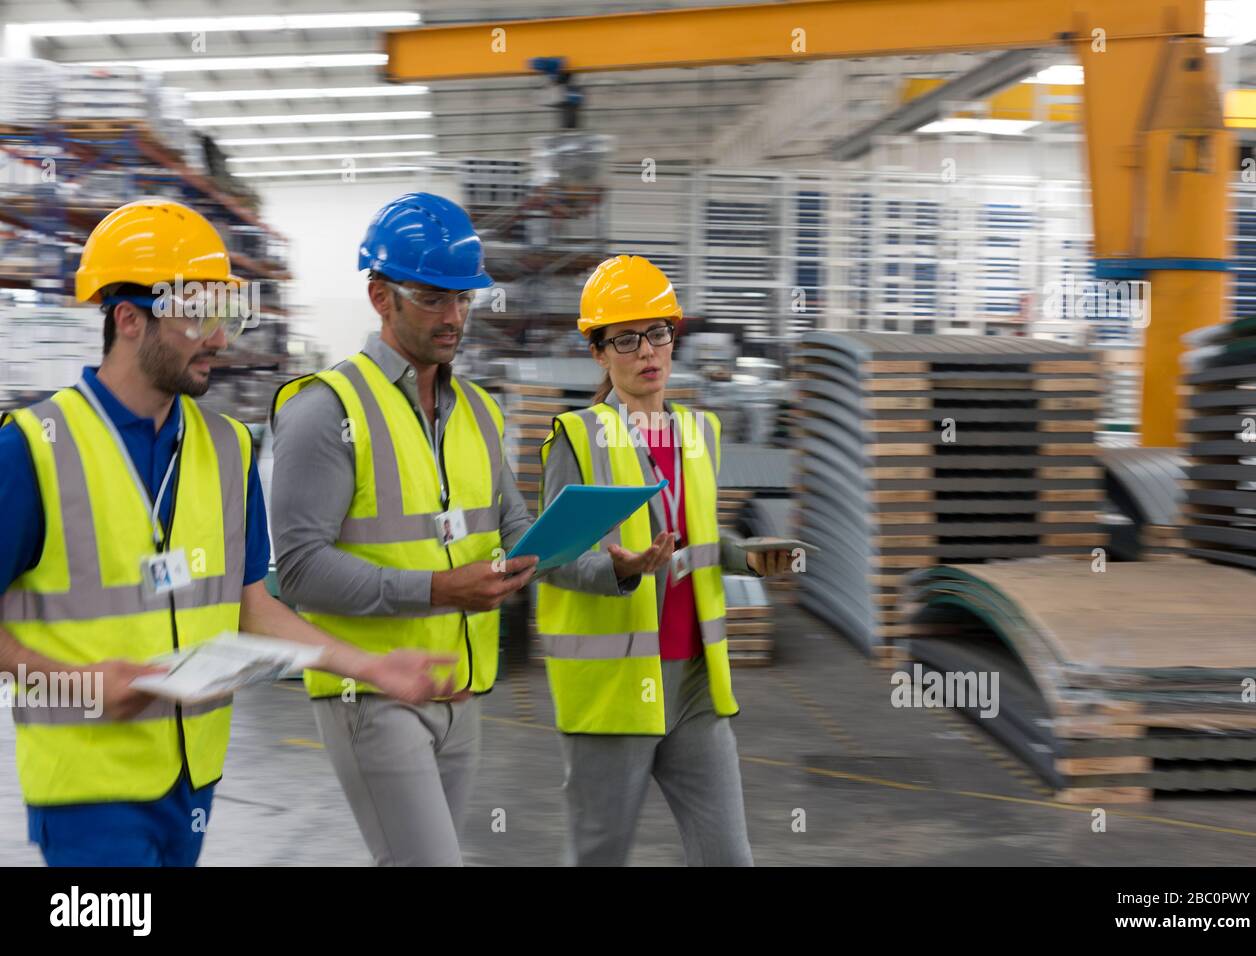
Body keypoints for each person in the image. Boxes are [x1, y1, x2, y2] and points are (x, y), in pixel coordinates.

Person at [0, 199, 449, 867]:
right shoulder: (35, 449)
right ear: (129, 319)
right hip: (88, 789)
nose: (219, 338)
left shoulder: (227, 446)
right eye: (198, 315)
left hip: (194, 779)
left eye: (225, 314)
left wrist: (371, 667)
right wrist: (85, 685)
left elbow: (255, 605)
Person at [270, 193, 538, 866]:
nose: (455, 317)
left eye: (465, 299)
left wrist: (570, 553)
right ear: (379, 296)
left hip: (459, 687)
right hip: (372, 693)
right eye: (433, 298)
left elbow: (512, 522)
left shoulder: (478, 409)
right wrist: (440, 589)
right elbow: (299, 571)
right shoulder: (323, 410)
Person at [536, 254, 794, 866]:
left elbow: (692, 540)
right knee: (600, 857)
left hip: (695, 685)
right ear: (598, 352)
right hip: (617, 690)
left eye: (658, 333)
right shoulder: (576, 438)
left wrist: (746, 557)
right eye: (625, 338)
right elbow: (548, 560)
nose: (647, 350)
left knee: (729, 858)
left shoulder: (700, 432)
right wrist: (620, 570)